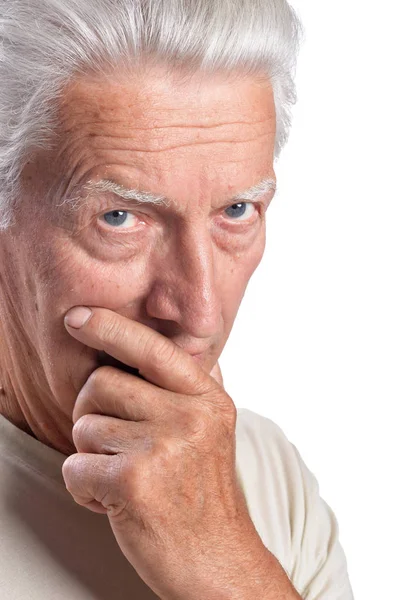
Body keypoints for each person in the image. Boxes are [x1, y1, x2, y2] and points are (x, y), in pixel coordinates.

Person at [0, 1, 354, 598]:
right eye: (119, 218)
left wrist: (223, 559)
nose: (199, 314)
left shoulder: (268, 476)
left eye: (236, 211)